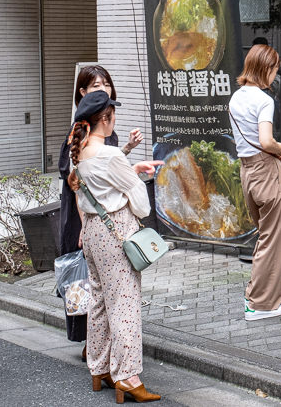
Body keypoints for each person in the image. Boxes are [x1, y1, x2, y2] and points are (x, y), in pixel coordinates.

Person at [68, 91, 161, 402]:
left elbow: (94, 185)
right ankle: (127, 376)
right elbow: (140, 200)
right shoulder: (110, 155)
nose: (115, 119)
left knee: (99, 301)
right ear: (104, 118)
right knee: (124, 304)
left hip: (93, 231)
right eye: (112, 114)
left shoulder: (79, 150)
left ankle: (99, 367)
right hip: (116, 228)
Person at [57, 65, 143, 356]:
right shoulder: (80, 132)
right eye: (95, 86)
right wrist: (85, 223)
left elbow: (96, 170)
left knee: (98, 293)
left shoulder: (97, 135)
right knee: (114, 296)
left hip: (93, 216)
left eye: (106, 84)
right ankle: (119, 366)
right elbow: (77, 182)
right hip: (90, 216)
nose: (103, 89)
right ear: (82, 93)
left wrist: (126, 151)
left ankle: (98, 358)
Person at [229, 44, 281, 321]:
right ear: (265, 69)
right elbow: (266, 141)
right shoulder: (264, 100)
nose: (275, 76)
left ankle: (255, 296)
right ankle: (261, 304)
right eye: (274, 70)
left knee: (265, 236)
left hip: (247, 173)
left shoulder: (235, 98)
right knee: (275, 239)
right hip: (267, 171)